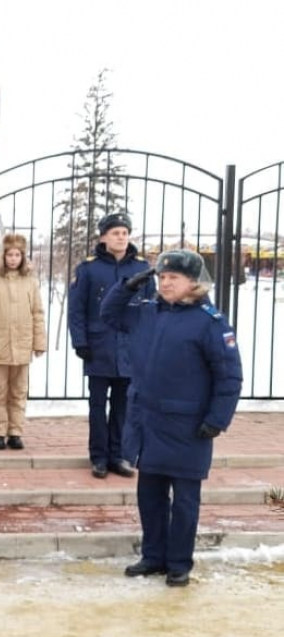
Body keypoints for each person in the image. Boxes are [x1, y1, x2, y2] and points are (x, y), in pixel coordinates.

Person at [101, 249, 242, 586]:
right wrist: (127, 286)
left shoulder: (211, 323)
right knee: (149, 496)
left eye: (173, 278)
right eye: (162, 277)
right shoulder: (147, 312)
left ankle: (179, 563)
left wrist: (217, 419)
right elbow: (109, 315)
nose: (165, 283)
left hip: (188, 426)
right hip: (148, 422)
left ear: (193, 283)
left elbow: (229, 376)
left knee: (184, 502)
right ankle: (153, 556)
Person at [68, 212, 156, 479]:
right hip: (99, 347)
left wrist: (148, 342)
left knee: (124, 406)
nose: (121, 237)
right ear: (104, 236)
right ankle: (98, 457)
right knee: (97, 406)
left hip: (130, 348)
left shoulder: (142, 269)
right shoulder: (89, 269)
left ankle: (119, 455)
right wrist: (80, 342)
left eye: (124, 233)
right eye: (115, 232)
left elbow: (152, 308)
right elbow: (77, 310)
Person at [0, 233, 46, 450]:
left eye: (17, 255)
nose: (13, 259)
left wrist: (39, 342)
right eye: (10, 255)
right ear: (2, 257)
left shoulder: (31, 284)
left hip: (22, 346)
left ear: (23, 257)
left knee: (18, 391)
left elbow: (38, 313)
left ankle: (15, 431)